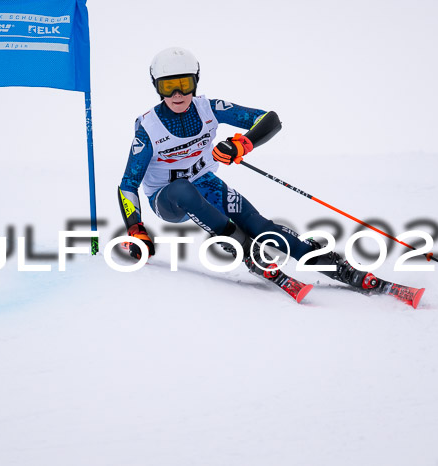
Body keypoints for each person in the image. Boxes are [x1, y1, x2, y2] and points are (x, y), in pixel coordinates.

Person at [117, 47, 378, 291]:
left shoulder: (209, 108)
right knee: (184, 189)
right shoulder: (148, 129)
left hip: (205, 184)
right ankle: (245, 250)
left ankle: (335, 267)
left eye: (184, 85)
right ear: (157, 87)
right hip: (168, 200)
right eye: (168, 86)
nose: (178, 95)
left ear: (195, 82)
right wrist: (135, 229)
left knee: (261, 226)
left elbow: (270, 119)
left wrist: (242, 144)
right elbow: (128, 184)